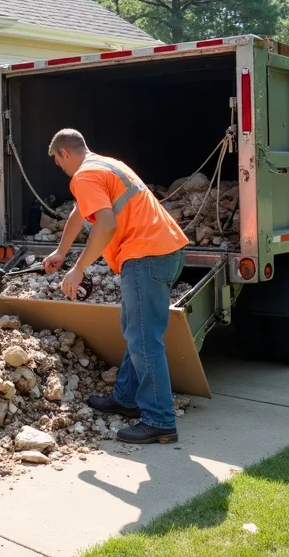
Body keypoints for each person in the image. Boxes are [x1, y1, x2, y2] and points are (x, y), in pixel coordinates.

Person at [42, 129, 189, 444]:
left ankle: (160, 421)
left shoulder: (84, 175)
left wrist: (78, 270)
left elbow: (106, 225)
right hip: (163, 251)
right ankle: (126, 398)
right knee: (136, 331)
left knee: (144, 340)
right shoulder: (107, 165)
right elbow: (79, 214)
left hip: (145, 255)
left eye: (57, 160)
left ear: (65, 153)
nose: (59, 166)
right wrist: (61, 252)